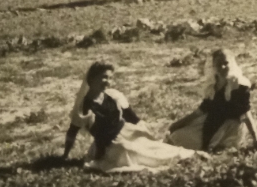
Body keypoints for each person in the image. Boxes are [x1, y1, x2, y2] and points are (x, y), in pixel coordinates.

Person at [64, 61, 200, 172]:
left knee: (149, 146)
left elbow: (131, 117)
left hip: (126, 132)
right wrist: (65, 154)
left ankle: (187, 155)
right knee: (129, 150)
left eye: (110, 78)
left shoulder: (113, 95)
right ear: (92, 79)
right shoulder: (84, 107)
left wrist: (144, 129)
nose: (108, 82)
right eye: (104, 77)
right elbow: (72, 131)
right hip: (108, 145)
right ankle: (173, 159)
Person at [167, 48, 257, 151]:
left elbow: (246, 115)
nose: (223, 67)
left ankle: (213, 145)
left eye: (226, 63)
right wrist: (179, 123)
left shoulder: (238, 85)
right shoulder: (212, 85)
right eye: (218, 64)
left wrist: (256, 139)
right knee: (177, 136)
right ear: (213, 67)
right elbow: (201, 111)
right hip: (211, 122)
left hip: (230, 127)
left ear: (232, 63)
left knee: (210, 147)